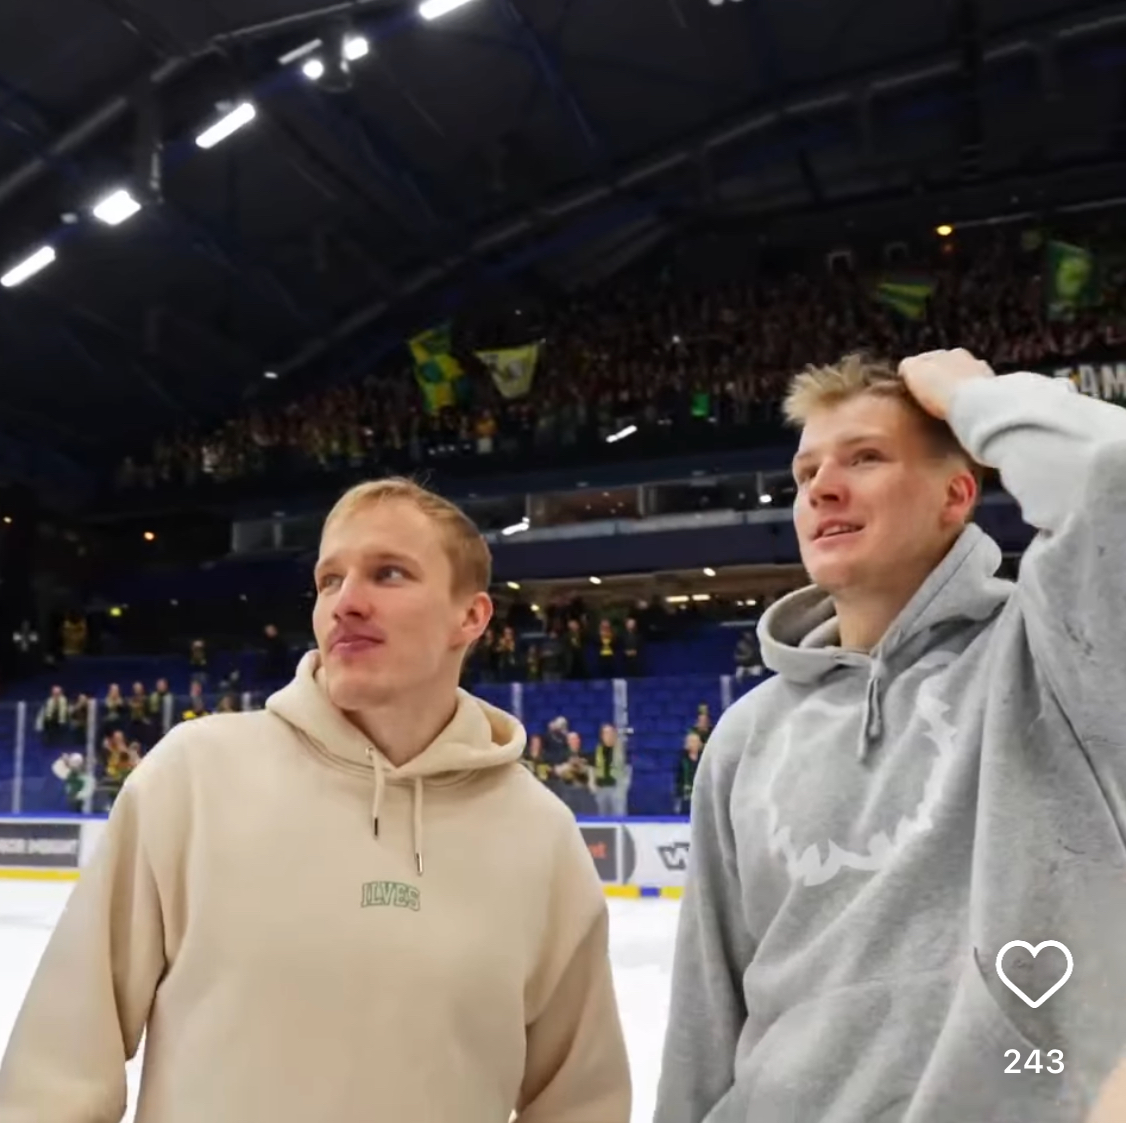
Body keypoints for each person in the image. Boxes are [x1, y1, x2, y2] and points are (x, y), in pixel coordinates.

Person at [0, 477, 631, 1123]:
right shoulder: (193, 777)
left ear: (469, 617)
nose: (345, 602)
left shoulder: (540, 835)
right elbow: (60, 1066)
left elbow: (580, 1100)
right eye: (330, 580)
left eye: (388, 573)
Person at [655, 350, 1126, 1123]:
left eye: (865, 457)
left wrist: (973, 396)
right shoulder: (746, 734)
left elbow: (1112, 471)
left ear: (957, 494)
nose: (822, 487)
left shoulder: (1056, 657)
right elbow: (706, 1017)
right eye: (806, 472)